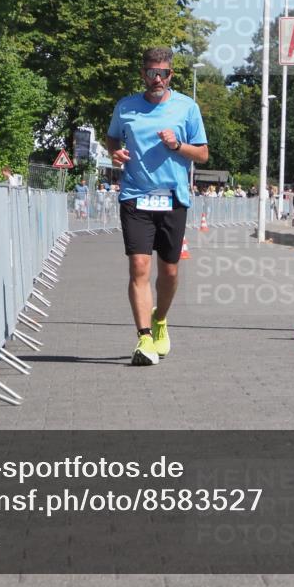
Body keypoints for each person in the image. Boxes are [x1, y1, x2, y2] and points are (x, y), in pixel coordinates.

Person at [106, 46, 209, 366]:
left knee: (170, 271)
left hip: (173, 197)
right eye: (152, 73)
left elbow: (203, 155)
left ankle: (160, 318)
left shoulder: (187, 108)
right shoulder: (126, 107)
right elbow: (112, 139)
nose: (157, 79)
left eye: (163, 73)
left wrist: (177, 145)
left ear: (171, 75)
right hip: (135, 196)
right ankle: (145, 338)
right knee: (138, 267)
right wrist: (115, 153)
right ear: (143, 74)